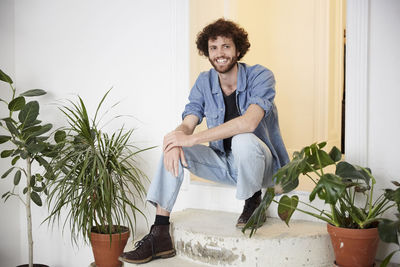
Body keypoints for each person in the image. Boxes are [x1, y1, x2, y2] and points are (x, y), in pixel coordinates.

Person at [119, 18, 289, 264]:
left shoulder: (260, 76)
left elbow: (249, 123)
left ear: (238, 50)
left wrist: (193, 139)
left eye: (226, 46)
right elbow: (188, 123)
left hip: (260, 166)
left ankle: (253, 199)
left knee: (242, 138)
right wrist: (175, 140)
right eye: (213, 48)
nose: (220, 53)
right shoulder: (204, 82)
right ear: (207, 52)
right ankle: (160, 232)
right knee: (175, 145)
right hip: (224, 164)